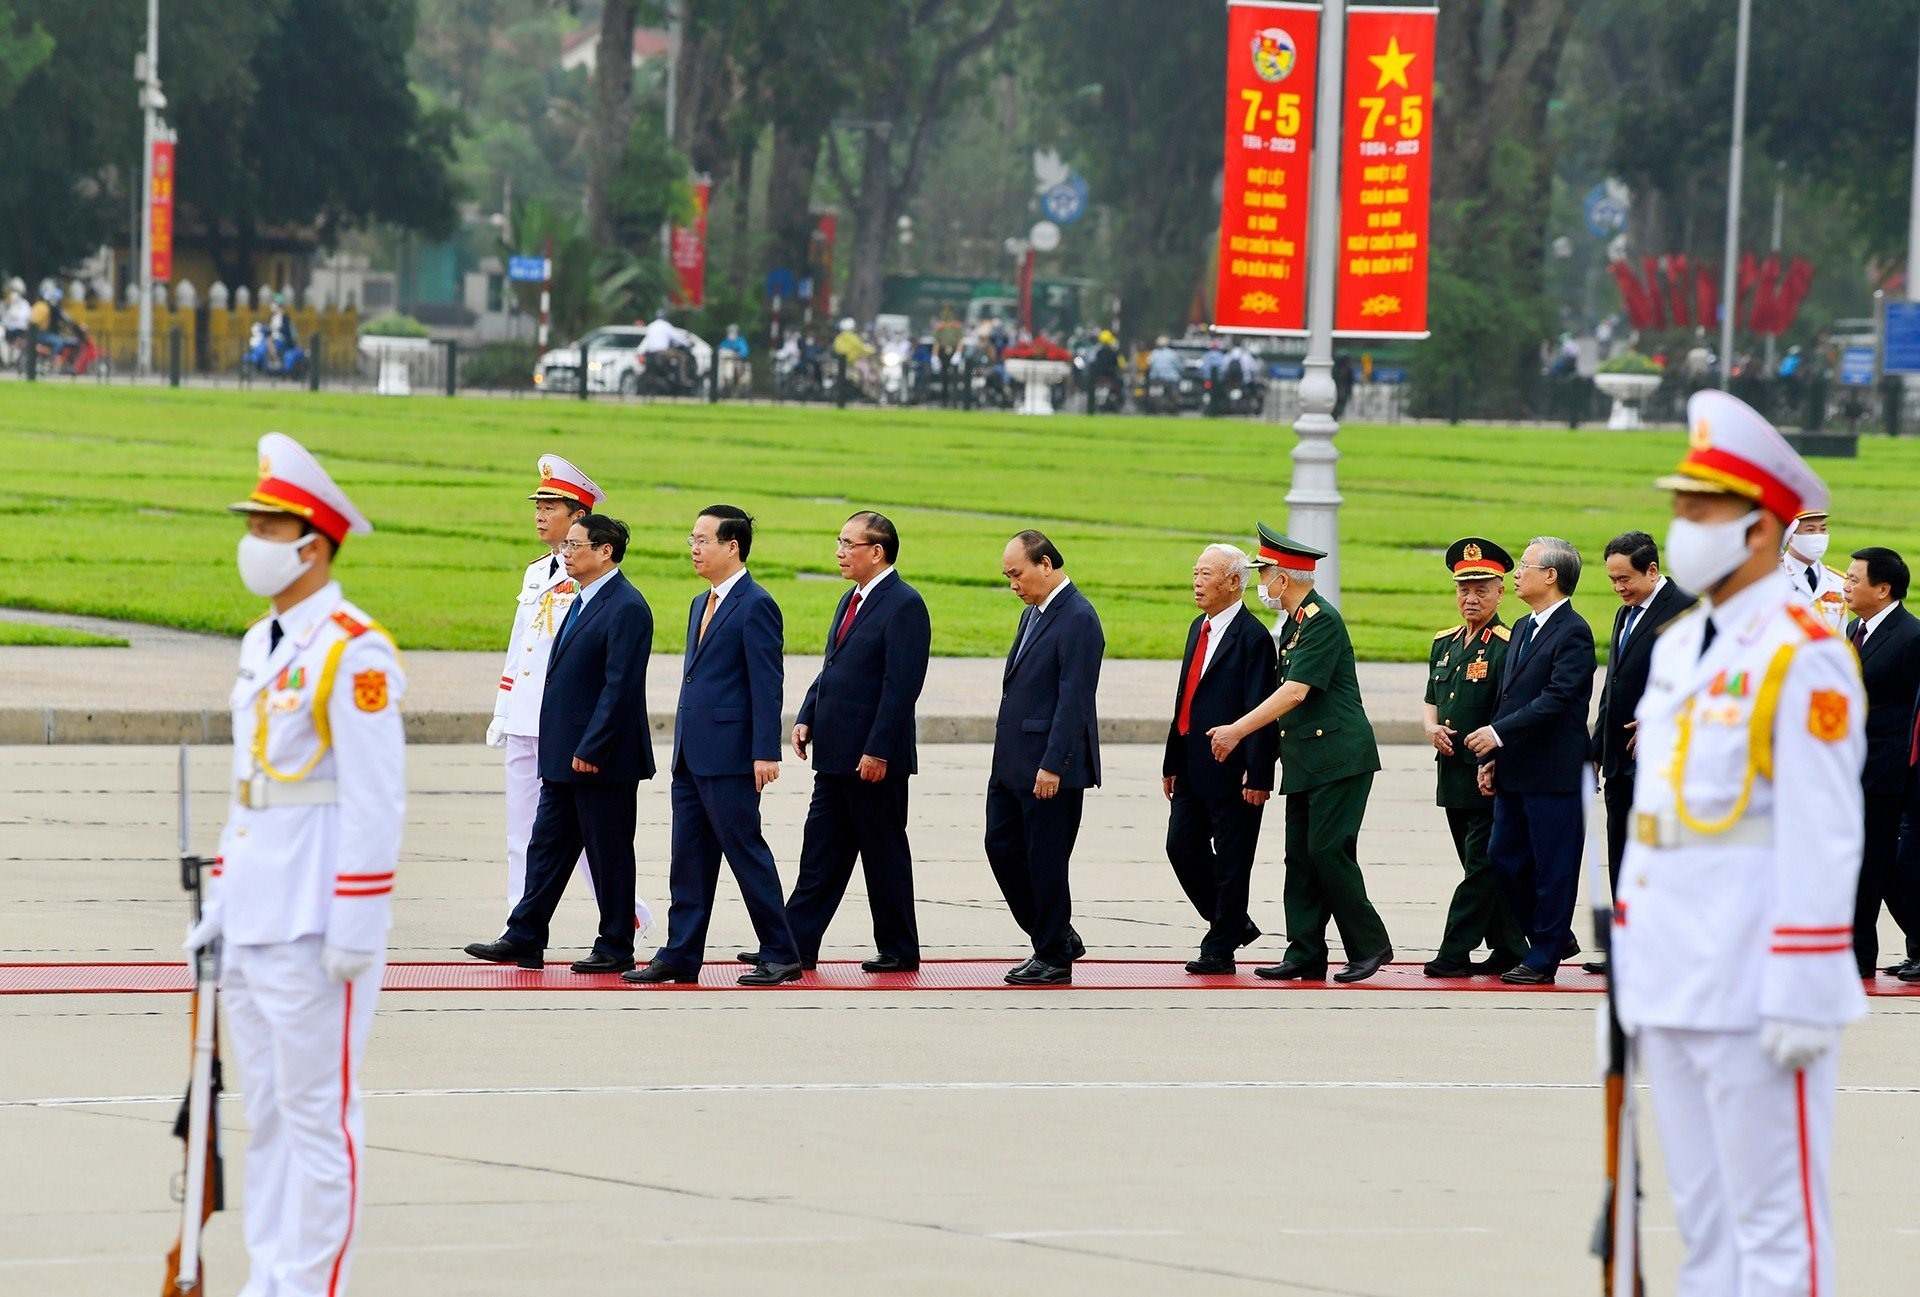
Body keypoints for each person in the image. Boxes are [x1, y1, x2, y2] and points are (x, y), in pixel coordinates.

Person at [1615, 389, 1867, 1297]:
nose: (1680, 526)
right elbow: (1658, 823)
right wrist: (1634, 961)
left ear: (1763, 526)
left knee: (1777, 1230)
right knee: (1704, 1225)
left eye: (1700, 509)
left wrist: (1806, 975)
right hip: (1675, 971)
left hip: (1762, 979)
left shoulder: (1805, 654)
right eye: (1678, 506)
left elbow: (1825, 828)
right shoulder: (1684, 648)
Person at [186, 433, 405, 1297]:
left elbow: (376, 799)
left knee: (318, 1118)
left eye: (267, 526)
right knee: (266, 1112)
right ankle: (269, 1279)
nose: (254, 541)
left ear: (312, 543)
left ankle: (311, 1286)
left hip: (320, 922)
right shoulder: (260, 642)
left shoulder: (355, 651)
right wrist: (221, 900)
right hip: (255, 914)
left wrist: (357, 918)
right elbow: (252, 793)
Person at [742, 512, 932, 972]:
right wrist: (808, 715)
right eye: (840, 542)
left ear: (877, 552)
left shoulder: (904, 604)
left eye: (849, 544)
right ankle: (795, 944)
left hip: (872, 758)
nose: (840, 551)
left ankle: (899, 949)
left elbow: (901, 687)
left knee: (882, 854)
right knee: (820, 854)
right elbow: (834, 667)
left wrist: (879, 750)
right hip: (835, 755)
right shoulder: (852, 598)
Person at [466, 513, 655, 974]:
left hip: (599, 759)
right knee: (546, 847)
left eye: (574, 546)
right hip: (562, 756)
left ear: (604, 551)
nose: (565, 554)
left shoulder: (627, 606)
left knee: (608, 852)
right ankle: (525, 936)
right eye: (565, 546)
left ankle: (615, 945)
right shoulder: (580, 600)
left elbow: (620, 688)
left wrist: (591, 748)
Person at [1210, 525, 1393, 983]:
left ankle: (1370, 944)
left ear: (1284, 578)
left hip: (1339, 758)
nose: (1260, 582)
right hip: (1308, 760)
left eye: (1264, 572)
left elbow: (1293, 693)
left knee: (1328, 850)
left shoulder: (1321, 621)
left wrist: (1236, 730)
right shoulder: (1294, 623)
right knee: (1301, 856)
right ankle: (1306, 951)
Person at [626, 506, 801, 986]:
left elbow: (767, 684)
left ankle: (781, 952)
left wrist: (766, 751)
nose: (694, 548)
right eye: (692, 539)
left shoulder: (755, 604)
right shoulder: (699, 602)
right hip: (691, 753)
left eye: (703, 540)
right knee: (688, 859)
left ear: (733, 547)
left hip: (731, 757)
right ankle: (680, 955)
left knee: (746, 853)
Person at [1463, 536, 1595, 985]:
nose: (1517, 573)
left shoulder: (1574, 631)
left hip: (1553, 772)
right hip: (1515, 767)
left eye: (1524, 565)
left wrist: (1497, 733)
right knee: (1504, 857)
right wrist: (1494, 755)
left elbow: (1559, 698)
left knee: (1553, 868)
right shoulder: (1522, 626)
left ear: (1551, 576)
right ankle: (1553, 935)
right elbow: (1509, 695)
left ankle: (1543, 957)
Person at [987, 530, 1105, 985]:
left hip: (1049, 766)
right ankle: (1055, 935)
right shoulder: (1035, 613)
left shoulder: (1078, 618)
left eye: (1017, 574)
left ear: (1046, 565)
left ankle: (1053, 956)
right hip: (1013, 762)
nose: (1013, 584)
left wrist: (1053, 764)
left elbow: (1073, 700)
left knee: (1046, 860)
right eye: (1007, 576)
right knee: (1001, 847)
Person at [1584, 531, 1696, 973]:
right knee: (1623, 853)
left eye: (1625, 578)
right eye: (1612, 580)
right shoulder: (1624, 612)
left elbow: (1702, 684)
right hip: (1620, 761)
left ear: (1652, 570)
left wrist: (1659, 719)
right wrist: (1596, 746)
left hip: (1665, 764)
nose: (1618, 587)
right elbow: (1612, 687)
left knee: (1662, 857)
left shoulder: (1688, 611)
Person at [1162, 543, 1276, 973]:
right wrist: (1171, 762)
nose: (1196, 581)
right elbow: (1184, 699)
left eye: (1206, 574)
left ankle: (1220, 948)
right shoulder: (1198, 626)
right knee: (1181, 847)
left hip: (1235, 768)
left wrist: (1259, 773)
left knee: (1232, 860)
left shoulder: (1254, 638)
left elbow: (1262, 710)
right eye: (1195, 572)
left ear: (1233, 582)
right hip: (1192, 763)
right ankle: (1232, 923)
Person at [1419, 538, 1530, 978]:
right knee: (1479, 864)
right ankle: (1508, 945)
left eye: (1482, 589)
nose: (1471, 598)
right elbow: (1431, 696)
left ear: (1500, 591)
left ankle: (1454, 951)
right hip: (1452, 772)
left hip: (1487, 773)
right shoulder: (1443, 643)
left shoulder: (1507, 644)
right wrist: (1430, 727)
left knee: (1481, 866)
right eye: (1464, 589)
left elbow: (1509, 706)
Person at [1842, 545, 1920, 978]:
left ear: (1883, 588)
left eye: (1855, 579)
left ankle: (1858, 959)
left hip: (1887, 775)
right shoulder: (1856, 628)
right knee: (1867, 866)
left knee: (1873, 865)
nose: (1847, 585)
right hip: (1851, 770)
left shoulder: (1911, 636)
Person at [1781, 509, 1847, 633]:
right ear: (1790, 536)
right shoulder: (1774, 576)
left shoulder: (1838, 582)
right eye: (1810, 530)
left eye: (1823, 529)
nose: (1819, 536)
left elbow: (1841, 636)